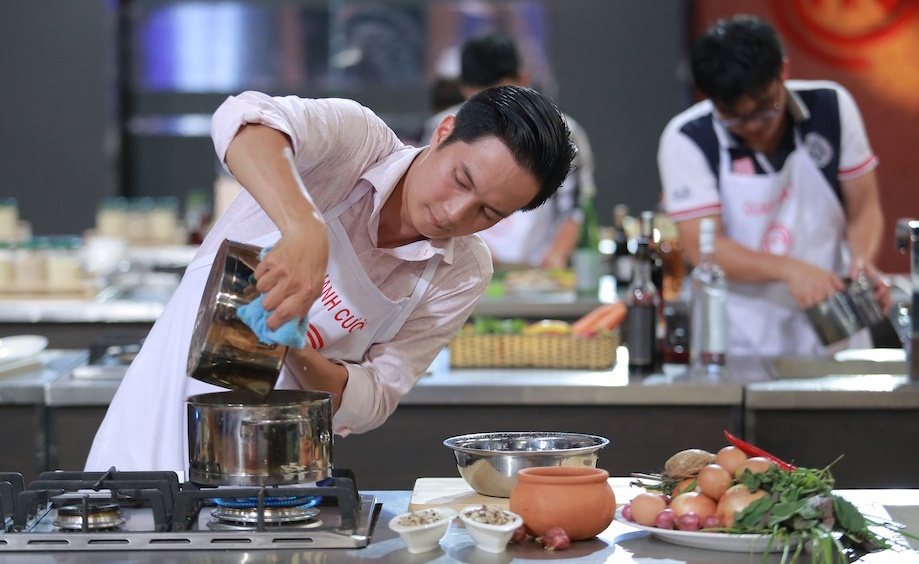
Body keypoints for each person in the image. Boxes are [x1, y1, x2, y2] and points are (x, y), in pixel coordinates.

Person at [85, 85, 575, 472]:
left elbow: (376, 397)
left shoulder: (462, 271)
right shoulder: (356, 142)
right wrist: (304, 228)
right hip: (148, 434)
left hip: (271, 474)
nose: (454, 213)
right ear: (445, 132)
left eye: (488, 213)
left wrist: (293, 348)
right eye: (461, 180)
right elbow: (243, 118)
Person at [657, 14, 889, 357]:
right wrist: (788, 269)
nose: (753, 125)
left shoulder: (830, 108)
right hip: (741, 339)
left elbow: (863, 209)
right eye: (735, 116)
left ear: (783, 71)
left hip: (834, 326)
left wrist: (861, 264)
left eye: (766, 108)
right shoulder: (688, 138)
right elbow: (704, 248)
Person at [423, 32, 597, 270]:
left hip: (536, 271)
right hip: (462, 266)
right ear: (464, 89)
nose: (496, 108)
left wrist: (554, 260)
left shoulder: (561, 132)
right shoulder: (443, 125)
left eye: (503, 93)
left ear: (522, 79)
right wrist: (471, 251)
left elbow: (573, 208)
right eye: (483, 96)